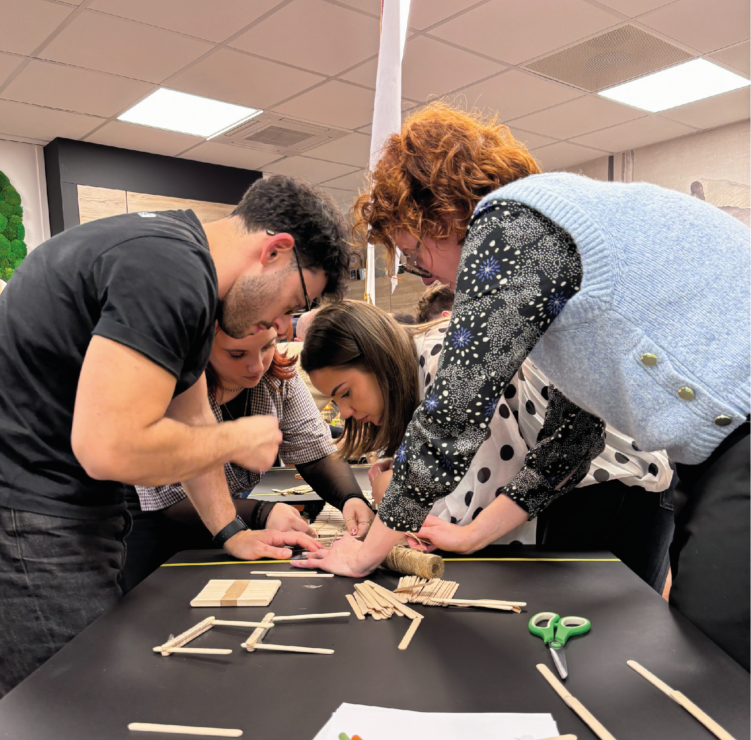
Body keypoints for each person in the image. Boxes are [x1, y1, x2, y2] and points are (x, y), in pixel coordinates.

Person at [294, 102, 751, 674]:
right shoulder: (548, 272)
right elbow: (572, 440)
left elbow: (452, 416)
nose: (421, 272)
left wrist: (366, 554)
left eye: (413, 252)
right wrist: (471, 535)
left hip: (736, 435)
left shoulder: (511, 224)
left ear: (442, 210)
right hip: (709, 452)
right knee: (703, 647)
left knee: (718, 657)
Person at [0, 175, 350, 696]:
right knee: (75, 710)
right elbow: (108, 447)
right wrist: (238, 440)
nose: (279, 325)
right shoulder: (170, 270)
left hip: (56, 512)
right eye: (293, 303)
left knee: (91, 699)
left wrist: (230, 531)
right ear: (276, 251)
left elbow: (193, 420)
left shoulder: (177, 263)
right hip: (27, 517)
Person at [301, 302, 672, 589]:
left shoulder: (443, 358)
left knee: (608, 644)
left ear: (376, 358)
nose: (346, 412)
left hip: (620, 486)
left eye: (345, 393)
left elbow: (472, 504)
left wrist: (380, 522)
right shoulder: (423, 364)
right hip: (573, 486)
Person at [124, 323, 373, 590]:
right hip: (153, 522)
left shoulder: (278, 377)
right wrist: (262, 513)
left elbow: (314, 450)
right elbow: (170, 496)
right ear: (203, 346)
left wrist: (350, 498)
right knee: (155, 602)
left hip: (226, 521)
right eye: (237, 354)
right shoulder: (177, 383)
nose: (257, 365)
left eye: (267, 346)